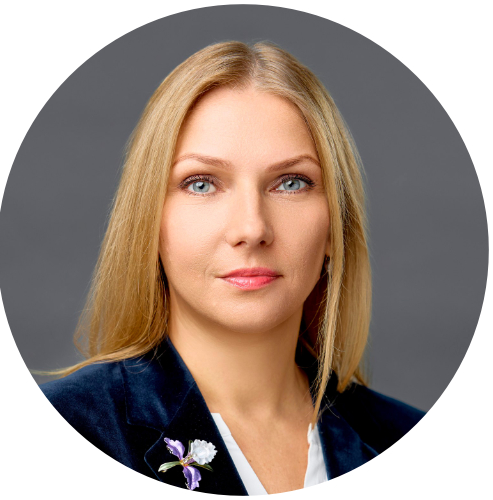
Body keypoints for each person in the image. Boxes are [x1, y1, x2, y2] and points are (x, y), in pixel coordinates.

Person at [40, 40, 424, 495]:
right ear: (150, 220)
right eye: (201, 184)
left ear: (334, 227)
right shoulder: (57, 433)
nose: (251, 228)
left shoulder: (411, 441)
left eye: (291, 183)